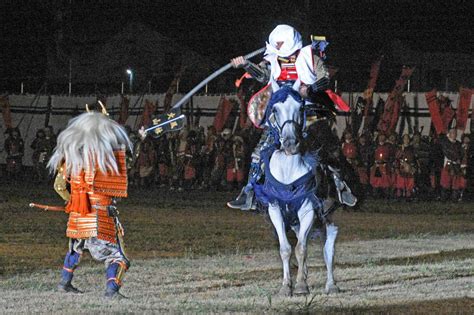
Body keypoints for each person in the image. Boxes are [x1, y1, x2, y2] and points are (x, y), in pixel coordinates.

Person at [227, 24, 355, 210]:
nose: (277, 47)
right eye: (275, 43)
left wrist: (309, 89)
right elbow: (263, 77)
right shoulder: (272, 59)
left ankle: (340, 185)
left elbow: (324, 79)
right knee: (258, 153)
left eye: (280, 43)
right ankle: (248, 193)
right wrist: (246, 64)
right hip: (280, 111)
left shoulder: (310, 57)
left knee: (325, 149)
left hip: (307, 109)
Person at [47, 102, 132, 298]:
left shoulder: (70, 156)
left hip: (78, 214)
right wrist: (139, 140)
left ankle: (64, 283)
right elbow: (124, 165)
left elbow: (59, 186)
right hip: (99, 213)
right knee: (118, 257)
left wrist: (73, 201)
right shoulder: (106, 156)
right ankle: (112, 291)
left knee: (76, 249)